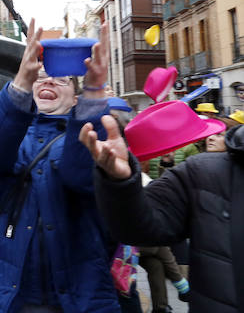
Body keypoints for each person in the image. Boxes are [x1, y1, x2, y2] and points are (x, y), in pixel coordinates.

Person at [0, 19, 119, 312]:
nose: (48, 80)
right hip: (5, 297)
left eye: (61, 79)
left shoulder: (92, 131)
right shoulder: (11, 132)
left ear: (75, 96)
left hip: (77, 297)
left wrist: (94, 93)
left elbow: (81, 176)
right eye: (41, 76)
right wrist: (21, 82)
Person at [82, 108, 244, 311]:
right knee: (158, 262)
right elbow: (140, 227)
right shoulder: (201, 170)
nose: (212, 139)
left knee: (158, 264)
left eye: (219, 135)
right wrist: (119, 182)